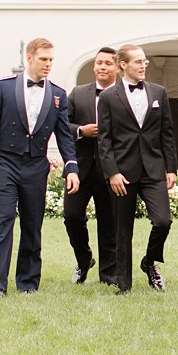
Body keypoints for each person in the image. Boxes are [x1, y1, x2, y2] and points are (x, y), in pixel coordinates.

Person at [0, 37, 80, 297]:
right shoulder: (3, 87)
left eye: (51, 60)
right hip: (5, 163)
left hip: (36, 166)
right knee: (3, 222)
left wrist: (72, 167)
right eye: (44, 59)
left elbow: (64, 135)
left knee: (33, 225)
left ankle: (28, 284)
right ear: (29, 58)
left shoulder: (58, 94)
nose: (48, 64)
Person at [97, 45, 176, 294]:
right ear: (123, 65)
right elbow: (104, 140)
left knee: (163, 221)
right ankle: (124, 286)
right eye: (138, 62)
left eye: (145, 62)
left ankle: (149, 262)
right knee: (122, 231)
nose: (143, 65)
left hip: (153, 170)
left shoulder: (158, 92)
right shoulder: (108, 97)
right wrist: (112, 172)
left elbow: (167, 133)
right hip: (122, 173)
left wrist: (171, 168)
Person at [64, 45, 120, 285]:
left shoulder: (123, 95)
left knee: (109, 223)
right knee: (72, 217)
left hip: (111, 171)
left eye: (108, 63)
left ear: (118, 67)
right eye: (99, 63)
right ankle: (84, 259)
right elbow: (61, 125)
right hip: (81, 169)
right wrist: (80, 130)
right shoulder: (78, 93)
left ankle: (109, 275)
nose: (102, 67)